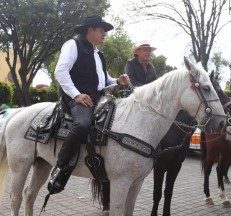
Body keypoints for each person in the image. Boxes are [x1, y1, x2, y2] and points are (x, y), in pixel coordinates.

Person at [48, 15, 129, 194]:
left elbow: (104, 80)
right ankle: (60, 169)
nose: (105, 34)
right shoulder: (73, 45)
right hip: (77, 97)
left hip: (98, 98)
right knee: (82, 124)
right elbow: (60, 71)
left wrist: (118, 80)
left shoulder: (98, 54)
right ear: (90, 30)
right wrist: (76, 95)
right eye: (102, 30)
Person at [101, 40, 157, 211]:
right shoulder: (130, 65)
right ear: (137, 52)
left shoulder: (152, 67)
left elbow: (155, 86)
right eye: (145, 49)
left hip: (147, 105)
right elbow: (131, 85)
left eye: (149, 49)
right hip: (131, 102)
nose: (148, 52)